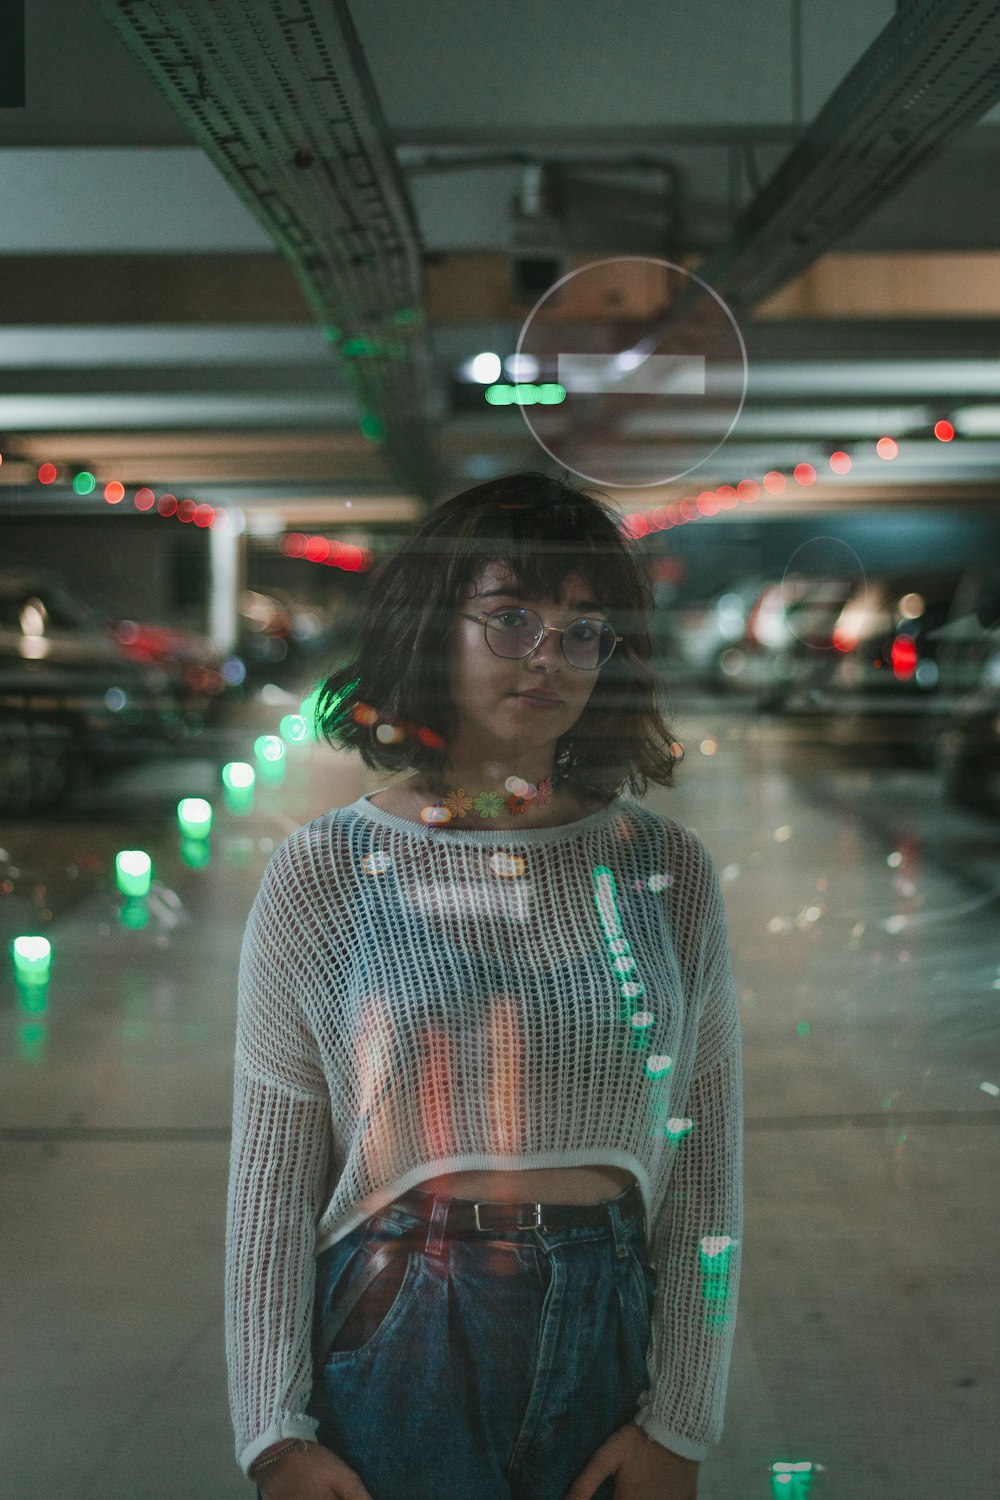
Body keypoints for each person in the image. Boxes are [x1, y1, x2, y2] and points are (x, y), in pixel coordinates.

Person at [225, 470, 744, 1500]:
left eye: (582, 628)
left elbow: (707, 1167)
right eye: (510, 617)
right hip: (398, 1318)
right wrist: (272, 1435)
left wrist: (682, 1420)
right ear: (433, 629)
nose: (549, 654)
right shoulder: (328, 870)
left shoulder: (663, 868)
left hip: (606, 1316)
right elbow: (271, 1182)